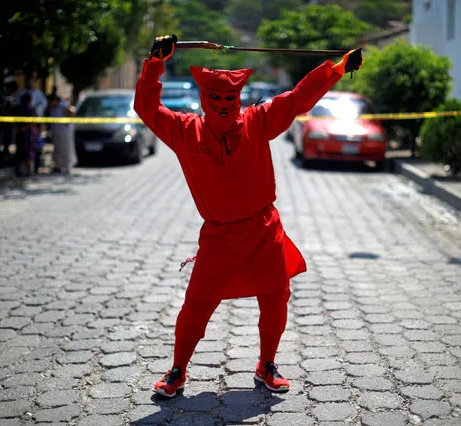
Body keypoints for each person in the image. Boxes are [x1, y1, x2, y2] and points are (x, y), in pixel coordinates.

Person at [134, 34, 362, 398]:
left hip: (262, 229)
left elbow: (297, 97)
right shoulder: (184, 130)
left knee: (276, 296)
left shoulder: (258, 121)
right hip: (219, 237)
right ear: (204, 99)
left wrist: (335, 68)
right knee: (196, 305)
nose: (223, 105)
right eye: (216, 99)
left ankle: (266, 364)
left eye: (229, 99)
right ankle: (177, 369)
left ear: (238, 99)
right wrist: (154, 64)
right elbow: (147, 108)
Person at [46, 94, 77, 174]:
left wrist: (68, 122)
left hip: (64, 131)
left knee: (65, 149)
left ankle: (67, 166)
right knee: (57, 150)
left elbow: (72, 112)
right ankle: (58, 166)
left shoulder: (62, 105)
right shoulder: (52, 107)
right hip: (56, 131)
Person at [14, 93, 39, 177]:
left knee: (22, 154)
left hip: (24, 135)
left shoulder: (19, 108)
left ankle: (23, 172)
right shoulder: (30, 109)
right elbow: (34, 122)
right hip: (28, 135)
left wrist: (21, 129)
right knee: (27, 154)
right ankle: (28, 172)